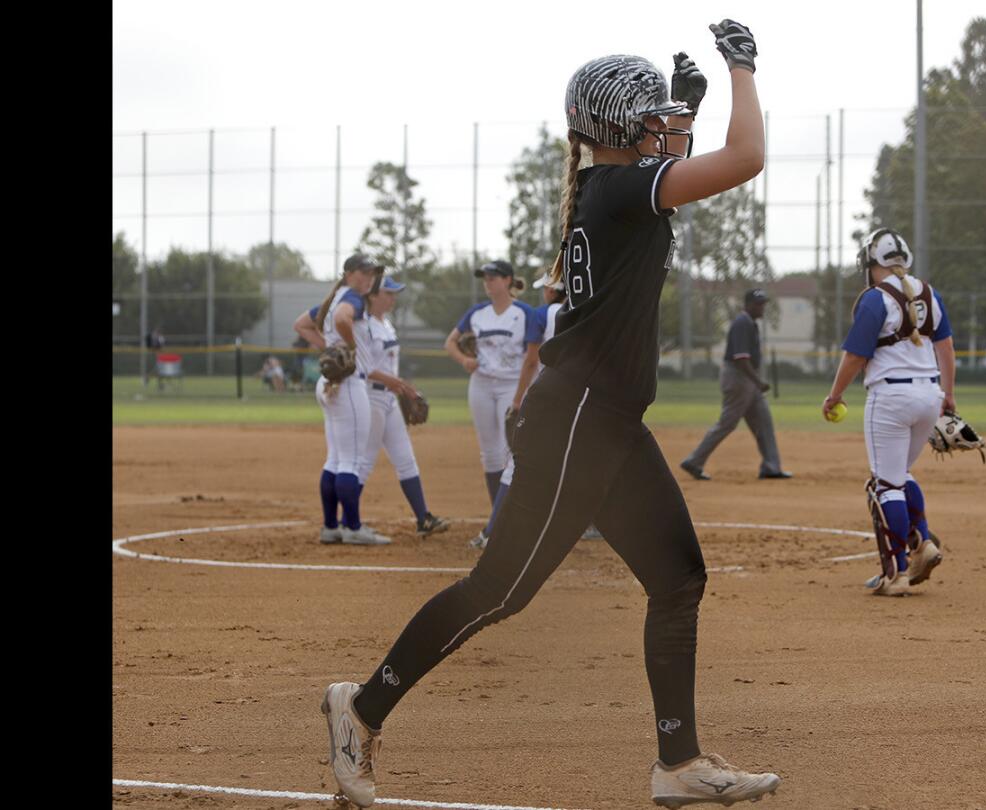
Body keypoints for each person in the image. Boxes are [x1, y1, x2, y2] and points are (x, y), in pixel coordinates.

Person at [320, 26, 781, 808]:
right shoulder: (622, 190)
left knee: (677, 579)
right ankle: (358, 711)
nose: (660, 126)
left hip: (606, 422)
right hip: (578, 421)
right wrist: (742, 68)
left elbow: (678, 161)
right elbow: (745, 160)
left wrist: (683, 116)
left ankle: (678, 764)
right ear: (612, 130)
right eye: (647, 118)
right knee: (501, 590)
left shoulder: (611, 190)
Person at [821, 228, 954, 597]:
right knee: (899, 474)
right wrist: (949, 396)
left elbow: (855, 356)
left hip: (891, 397)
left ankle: (895, 573)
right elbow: (946, 348)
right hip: (929, 394)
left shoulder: (876, 299)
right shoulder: (930, 293)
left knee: (886, 483)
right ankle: (923, 543)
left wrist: (834, 395)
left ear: (870, 264)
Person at [473, 273, 604, 549]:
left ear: (552, 290)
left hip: (551, 396)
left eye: (545, 287)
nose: (543, 292)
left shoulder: (542, 314)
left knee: (516, 462)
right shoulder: (582, 311)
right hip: (583, 394)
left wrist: (518, 400)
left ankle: (492, 532)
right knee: (579, 457)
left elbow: (532, 360)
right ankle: (592, 521)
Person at [292, 253, 392, 546]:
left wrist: (329, 348)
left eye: (372, 273)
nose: (369, 278)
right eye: (363, 272)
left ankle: (330, 526)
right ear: (349, 274)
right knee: (351, 460)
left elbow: (301, 324)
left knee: (336, 458)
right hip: (349, 384)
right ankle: (353, 527)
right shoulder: (353, 299)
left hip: (330, 384)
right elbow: (341, 319)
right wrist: (347, 345)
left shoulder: (334, 297)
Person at [444, 259, 540, 548]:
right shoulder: (477, 314)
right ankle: (500, 517)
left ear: (508, 280)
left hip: (512, 385)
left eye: (494, 277)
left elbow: (532, 360)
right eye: (485, 278)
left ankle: (497, 526)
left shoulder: (524, 313)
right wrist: (464, 360)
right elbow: (450, 342)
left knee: (511, 454)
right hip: (482, 385)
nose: (488, 282)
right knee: (490, 454)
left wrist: (519, 397)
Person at [354, 277, 452, 538]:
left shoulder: (386, 324)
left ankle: (423, 519)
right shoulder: (362, 325)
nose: (393, 298)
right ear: (373, 295)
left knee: (406, 459)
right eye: (388, 293)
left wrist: (402, 388)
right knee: (364, 461)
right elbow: (364, 368)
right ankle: (347, 521)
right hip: (370, 398)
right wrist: (398, 383)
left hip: (388, 400)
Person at [679, 288, 790, 481]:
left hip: (747, 379)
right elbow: (740, 359)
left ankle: (771, 467)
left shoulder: (750, 324)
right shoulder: (742, 323)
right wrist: (758, 381)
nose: (762, 307)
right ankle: (694, 461)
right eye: (758, 304)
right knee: (727, 423)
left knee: (764, 421)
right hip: (738, 378)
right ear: (747, 305)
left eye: (763, 303)